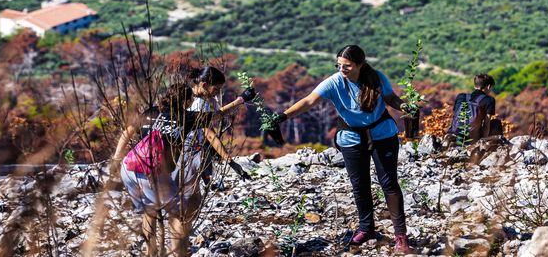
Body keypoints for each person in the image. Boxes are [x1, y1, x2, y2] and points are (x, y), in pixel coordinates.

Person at [269, 45, 412, 253]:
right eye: (339, 65)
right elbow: (309, 100)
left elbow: (391, 99)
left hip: (382, 134)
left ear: (359, 65)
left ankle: (400, 236)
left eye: (347, 66)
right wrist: (282, 117)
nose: (341, 69)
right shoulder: (335, 82)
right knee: (360, 185)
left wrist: (407, 107)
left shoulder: (376, 78)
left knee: (389, 184)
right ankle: (366, 229)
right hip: (351, 138)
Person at [111, 70, 256, 257]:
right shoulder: (186, 117)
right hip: (151, 172)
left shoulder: (152, 112)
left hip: (129, 167)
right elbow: (217, 117)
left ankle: (151, 252)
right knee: (179, 213)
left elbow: (127, 131)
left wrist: (116, 158)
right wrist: (240, 100)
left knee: (150, 210)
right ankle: (178, 254)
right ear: (186, 102)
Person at [447, 74, 497, 143]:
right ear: (488, 86)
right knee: (496, 123)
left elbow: (455, 116)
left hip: (453, 134)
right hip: (471, 138)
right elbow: (486, 125)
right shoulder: (489, 100)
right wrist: (483, 142)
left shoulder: (461, 96)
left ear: (475, 86)